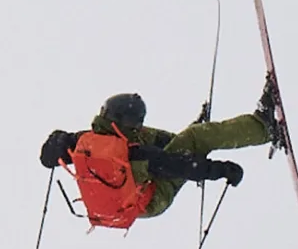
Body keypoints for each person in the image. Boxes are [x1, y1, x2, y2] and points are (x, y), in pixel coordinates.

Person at [40, 81, 277, 220]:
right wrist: (222, 170)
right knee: (195, 138)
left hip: (122, 200)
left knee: (156, 141)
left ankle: (187, 141)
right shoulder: (135, 155)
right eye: (136, 123)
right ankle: (264, 128)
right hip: (152, 197)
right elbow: (179, 166)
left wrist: (57, 142)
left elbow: (46, 159)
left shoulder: (89, 140)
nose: (139, 127)